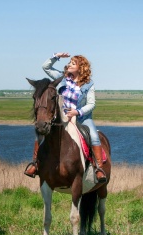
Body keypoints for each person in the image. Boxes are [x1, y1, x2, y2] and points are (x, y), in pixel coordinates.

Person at [24, 52, 107, 183]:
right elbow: (45, 67)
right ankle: (35, 164)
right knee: (41, 132)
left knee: (94, 136)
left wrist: (77, 112)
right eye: (69, 62)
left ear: (81, 68)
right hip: (62, 116)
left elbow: (91, 104)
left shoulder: (88, 85)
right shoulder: (62, 78)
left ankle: (99, 169)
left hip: (82, 117)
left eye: (73, 63)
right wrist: (56, 56)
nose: (69, 64)